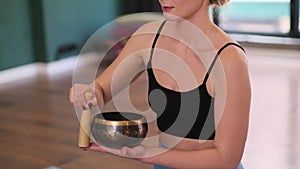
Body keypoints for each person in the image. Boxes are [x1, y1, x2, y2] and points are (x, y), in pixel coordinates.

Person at [69, 0, 251, 168]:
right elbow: (101, 90)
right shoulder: (147, 38)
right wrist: (88, 93)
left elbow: (226, 158)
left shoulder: (229, 60)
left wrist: (149, 154)